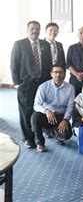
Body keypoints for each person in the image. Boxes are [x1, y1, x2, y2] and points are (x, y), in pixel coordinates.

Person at [10, 20, 52, 148]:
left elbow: (48, 64)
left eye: (37, 29)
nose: (35, 31)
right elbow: (14, 65)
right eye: (32, 28)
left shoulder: (45, 44)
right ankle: (27, 138)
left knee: (39, 109)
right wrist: (17, 83)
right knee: (26, 111)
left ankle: (38, 135)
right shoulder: (19, 44)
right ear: (27, 30)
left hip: (42, 83)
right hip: (26, 84)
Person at [31, 64, 74, 152]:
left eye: (60, 72)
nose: (58, 75)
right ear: (51, 74)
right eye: (55, 72)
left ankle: (56, 134)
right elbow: (36, 105)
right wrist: (46, 110)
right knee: (35, 117)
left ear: (64, 74)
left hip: (60, 117)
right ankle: (40, 143)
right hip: (46, 115)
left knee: (66, 135)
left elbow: (70, 107)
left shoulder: (70, 88)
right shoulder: (43, 87)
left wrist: (65, 120)